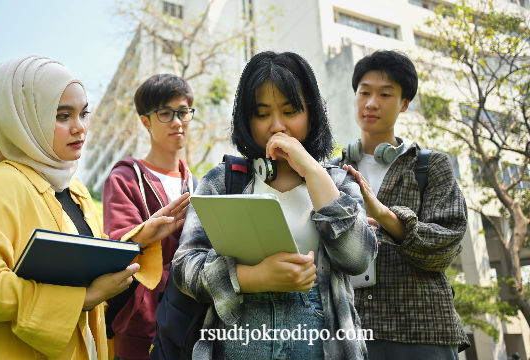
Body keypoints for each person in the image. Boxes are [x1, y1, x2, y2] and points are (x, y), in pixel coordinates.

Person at [0, 56, 190, 360]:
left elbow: (92, 268)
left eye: (83, 113)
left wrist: (140, 240)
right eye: (62, 115)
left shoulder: (77, 192)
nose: (79, 128)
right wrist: (84, 297)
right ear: (21, 118)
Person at [171, 51, 377, 360]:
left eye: (290, 110)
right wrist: (254, 278)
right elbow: (184, 268)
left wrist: (313, 171)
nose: (277, 126)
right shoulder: (223, 181)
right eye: (262, 113)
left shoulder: (338, 182)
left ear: (312, 112)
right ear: (246, 117)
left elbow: (358, 258)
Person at [339, 50, 470, 359]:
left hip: (423, 330)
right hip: (350, 332)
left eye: (385, 94)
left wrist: (384, 216)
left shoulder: (430, 165)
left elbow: (446, 245)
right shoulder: (329, 172)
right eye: (365, 92)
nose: (371, 103)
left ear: (405, 104)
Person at [102, 74, 197, 360]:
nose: (177, 122)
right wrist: (147, 234)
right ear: (146, 121)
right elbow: (117, 245)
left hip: (193, 323)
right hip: (141, 327)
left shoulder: (198, 184)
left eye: (183, 112)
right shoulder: (125, 178)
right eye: (165, 113)